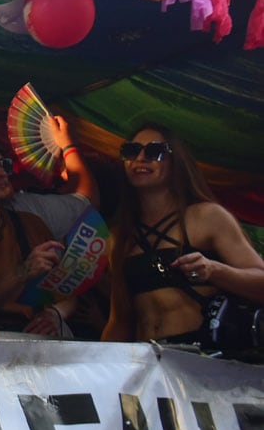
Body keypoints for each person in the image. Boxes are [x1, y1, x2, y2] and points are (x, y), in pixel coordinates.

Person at [102, 124, 264, 346]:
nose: (140, 158)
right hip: (148, 361)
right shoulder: (119, 236)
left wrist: (215, 271)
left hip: (202, 358)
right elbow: (119, 320)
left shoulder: (207, 216)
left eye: (154, 151)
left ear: (175, 161)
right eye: (131, 151)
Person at [0, 143, 74, 335]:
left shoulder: (31, 224)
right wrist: (22, 273)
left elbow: (68, 292)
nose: (0, 174)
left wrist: (54, 315)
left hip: (38, 340)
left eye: (5, 165)